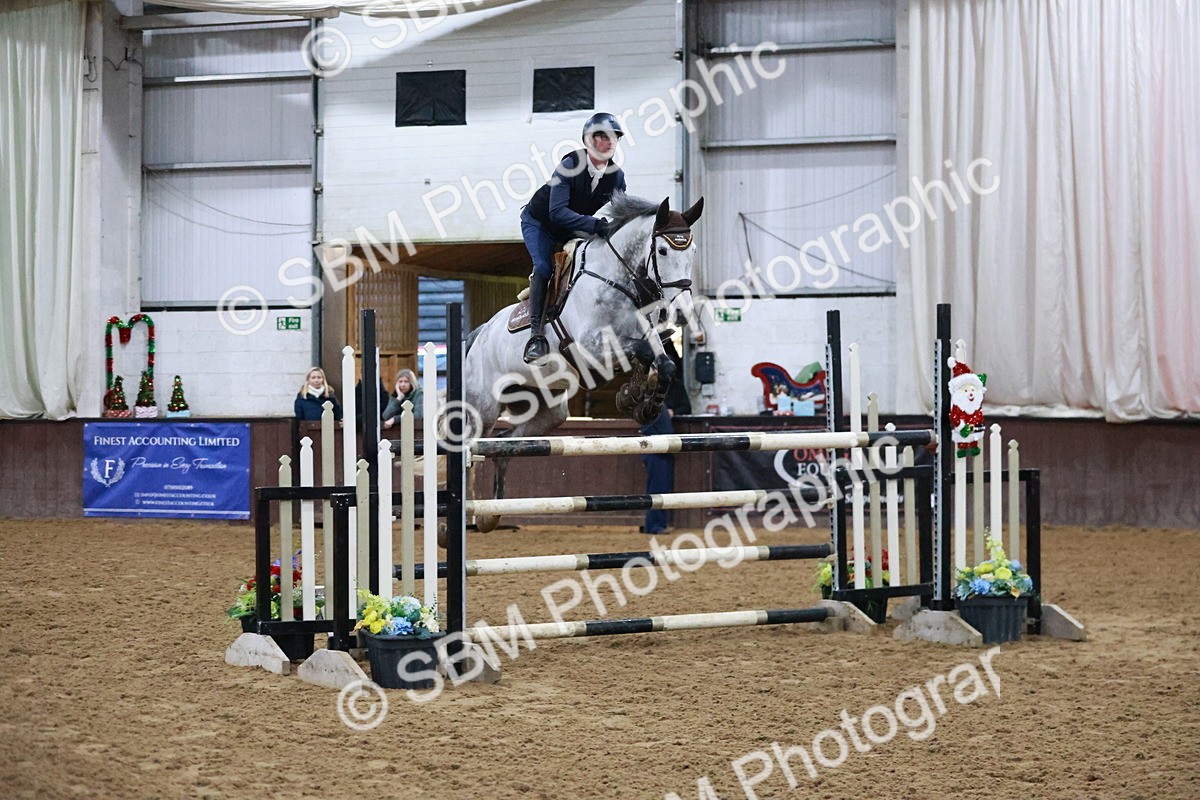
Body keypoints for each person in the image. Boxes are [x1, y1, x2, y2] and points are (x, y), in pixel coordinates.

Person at [519, 112, 628, 364]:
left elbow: (620, 213)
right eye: (603, 136)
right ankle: (536, 337)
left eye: (615, 137)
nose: (610, 141)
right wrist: (594, 224)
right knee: (545, 266)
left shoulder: (617, 176)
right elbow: (556, 213)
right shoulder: (569, 166)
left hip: (572, 228)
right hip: (541, 223)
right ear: (589, 141)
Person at [639, 341, 691, 535]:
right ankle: (655, 525)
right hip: (658, 450)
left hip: (656, 449)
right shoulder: (655, 406)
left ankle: (653, 524)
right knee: (659, 488)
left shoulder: (649, 403)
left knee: (657, 488)